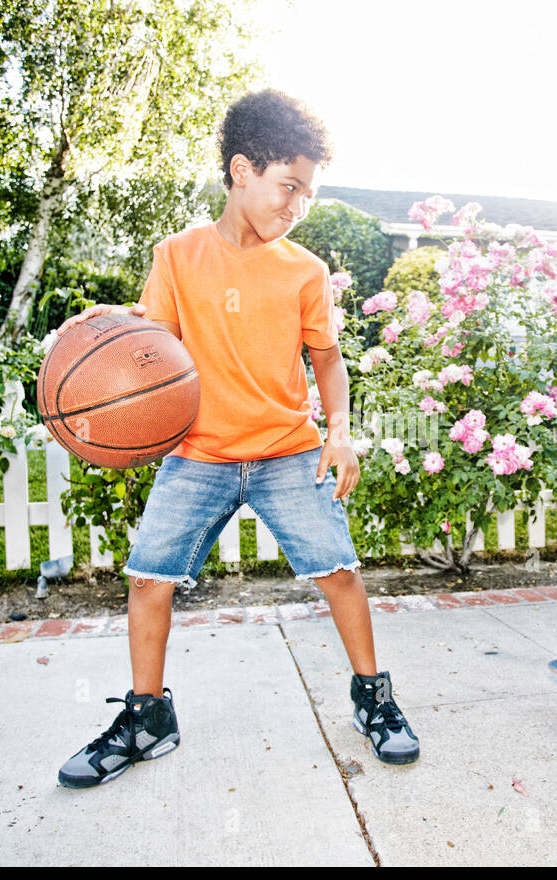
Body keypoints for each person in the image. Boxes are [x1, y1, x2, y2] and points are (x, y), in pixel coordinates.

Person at [55, 89, 419, 789]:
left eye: (308, 195)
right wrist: (113, 329)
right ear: (242, 170)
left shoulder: (305, 271)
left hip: (286, 450)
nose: (297, 206)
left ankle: (373, 699)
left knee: (339, 571)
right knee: (147, 579)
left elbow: (328, 358)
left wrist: (338, 434)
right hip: (200, 453)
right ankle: (147, 716)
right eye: (289, 187)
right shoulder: (180, 254)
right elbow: (151, 344)